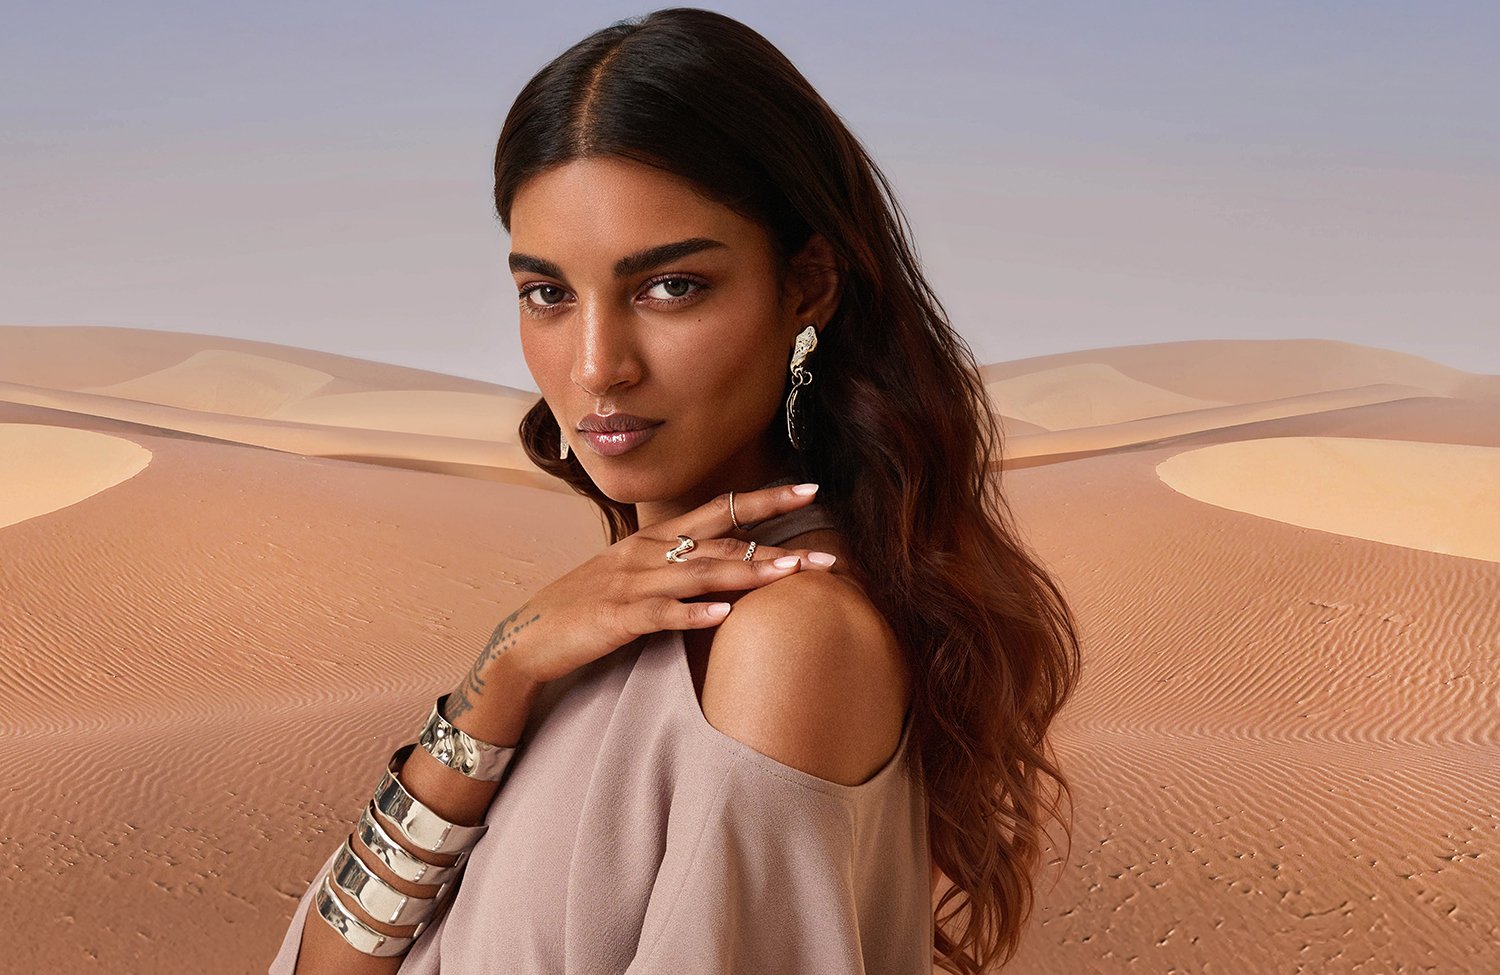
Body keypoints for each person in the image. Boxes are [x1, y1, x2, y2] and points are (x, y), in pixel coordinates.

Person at [267, 8, 1082, 974]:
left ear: (808, 284)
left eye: (671, 287)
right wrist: (503, 674)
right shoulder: (596, 628)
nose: (598, 366)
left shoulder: (790, 640)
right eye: (548, 294)